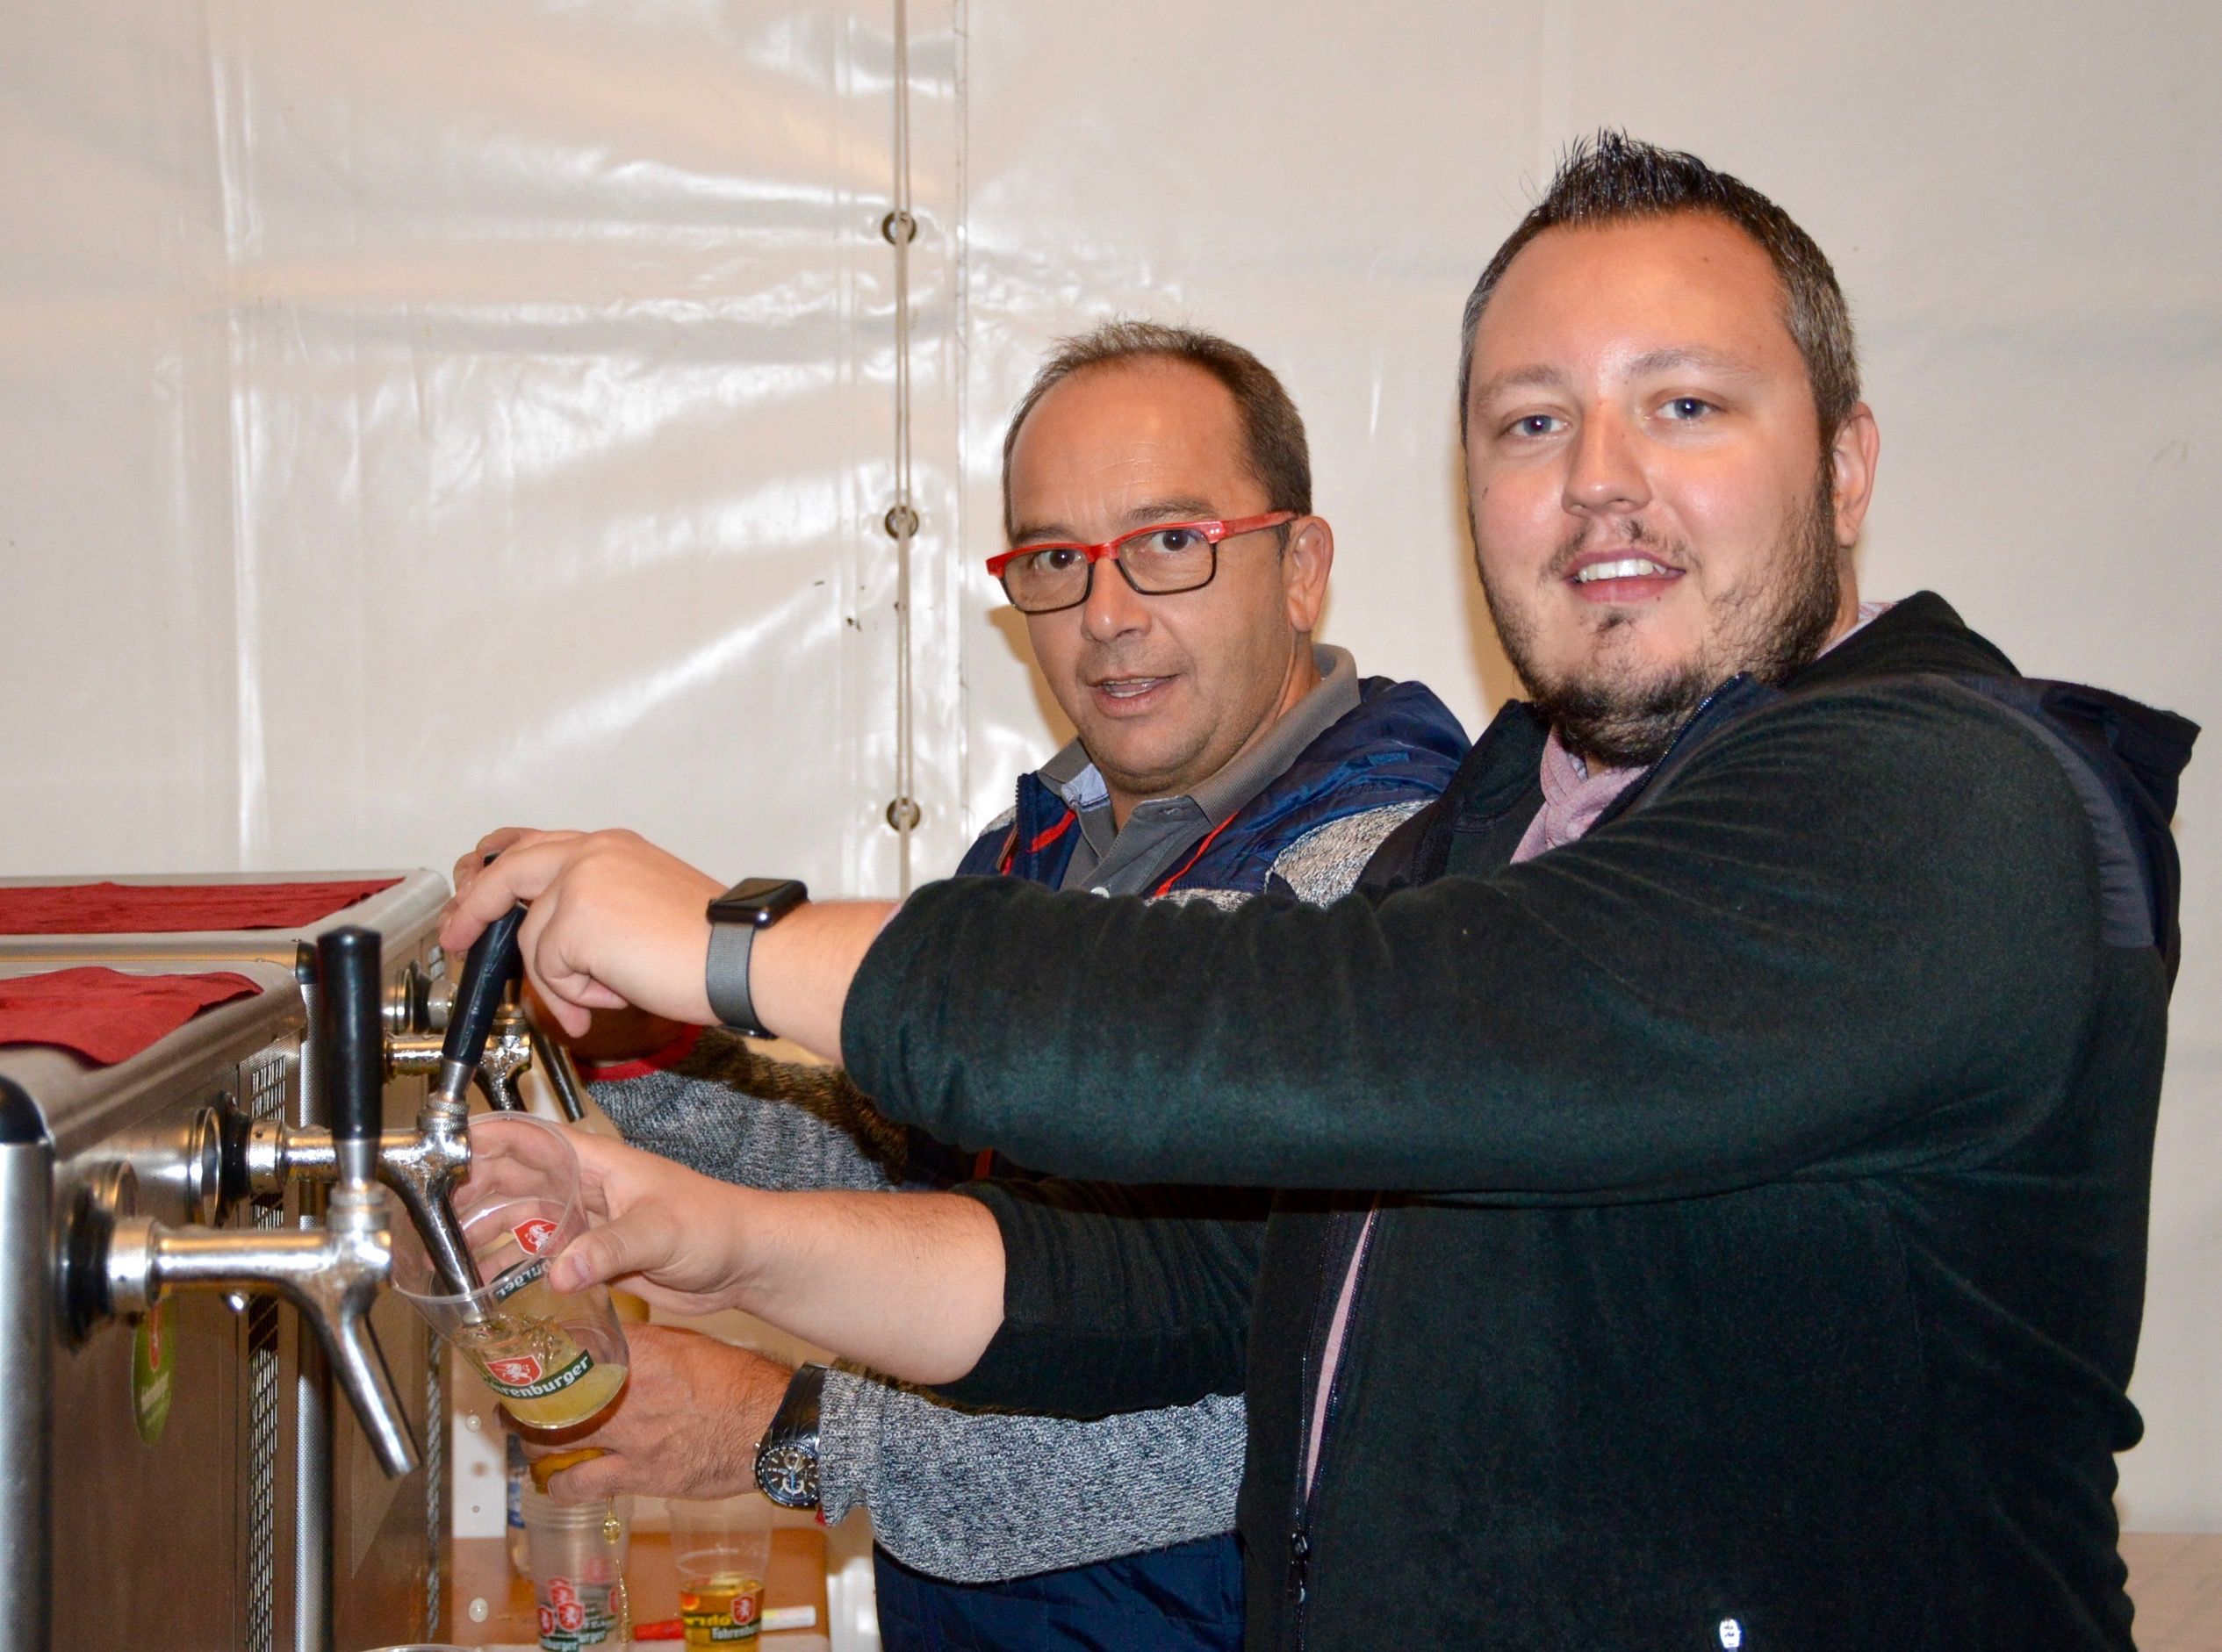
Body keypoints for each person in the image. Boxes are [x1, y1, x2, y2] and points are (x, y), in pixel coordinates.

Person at [447, 134, 2197, 1648]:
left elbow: (1317, 1025)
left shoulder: (1944, 803)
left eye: (1685, 403)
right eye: (1532, 421)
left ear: (1846, 463)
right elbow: (1186, 1287)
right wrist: (707, 1229)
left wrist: (731, 943)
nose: (1599, 477)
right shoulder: (1505, 828)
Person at [488, 322, 1469, 1651]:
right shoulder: (1038, 850)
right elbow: (908, 1187)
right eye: (1057, 559)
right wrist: (635, 1040)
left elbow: (1269, 1376)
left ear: (1301, 568)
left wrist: (786, 1427)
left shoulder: (1390, 877)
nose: (1108, 614)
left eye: (1170, 541)